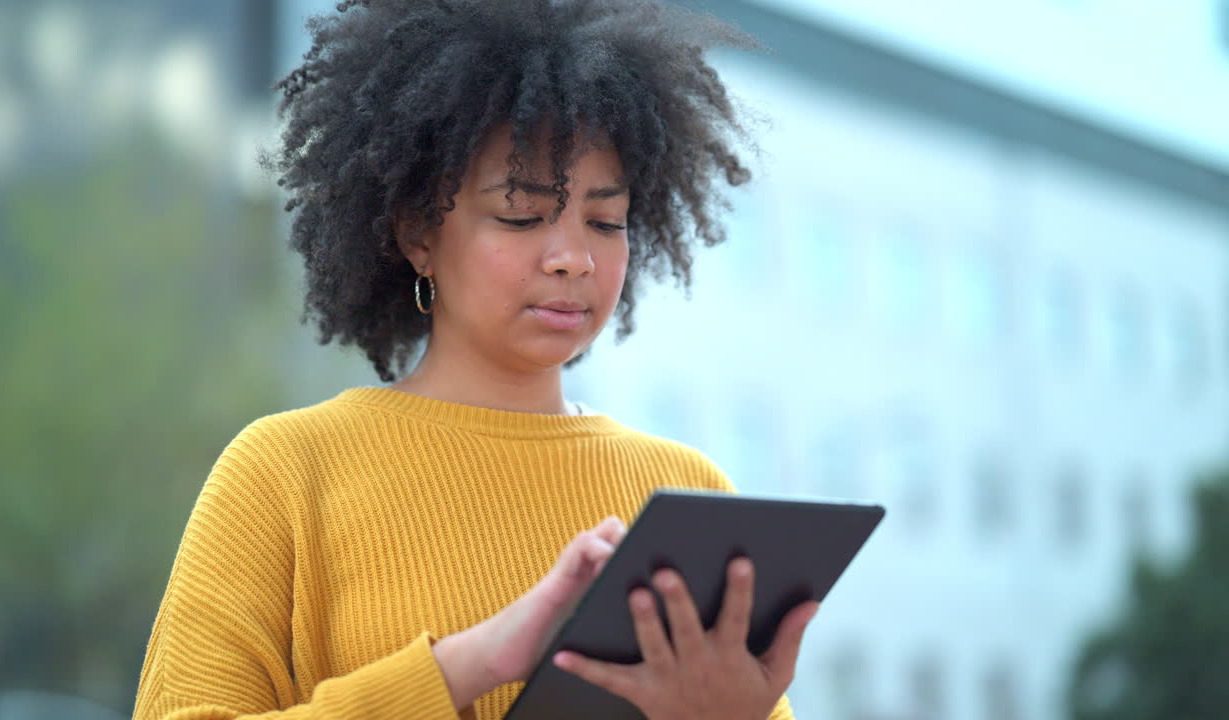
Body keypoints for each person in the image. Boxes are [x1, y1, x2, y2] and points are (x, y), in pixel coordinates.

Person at [130, 0, 819, 718]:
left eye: (605, 221)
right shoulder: (285, 473)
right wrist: (468, 664)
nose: (572, 258)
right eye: (521, 216)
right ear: (417, 232)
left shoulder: (687, 493)